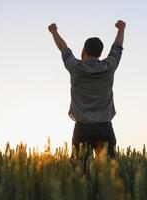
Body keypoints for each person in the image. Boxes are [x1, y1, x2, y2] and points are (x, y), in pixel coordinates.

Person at [48, 20, 126, 160]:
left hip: (82, 128)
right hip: (104, 127)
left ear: (84, 50)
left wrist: (54, 31)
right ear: (100, 53)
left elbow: (63, 48)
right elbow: (117, 47)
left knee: (79, 173)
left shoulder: (75, 67)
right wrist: (121, 28)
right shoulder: (109, 66)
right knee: (109, 174)